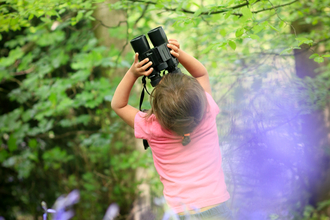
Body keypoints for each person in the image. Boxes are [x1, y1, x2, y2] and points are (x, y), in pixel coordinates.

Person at [111, 38, 233, 220]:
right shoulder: (207, 109)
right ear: (199, 98)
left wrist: (133, 73)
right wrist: (178, 55)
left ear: (158, 108)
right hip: (217, 209)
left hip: (180, 213)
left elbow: (118, 105)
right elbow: (201, 74)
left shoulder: (151, 126)